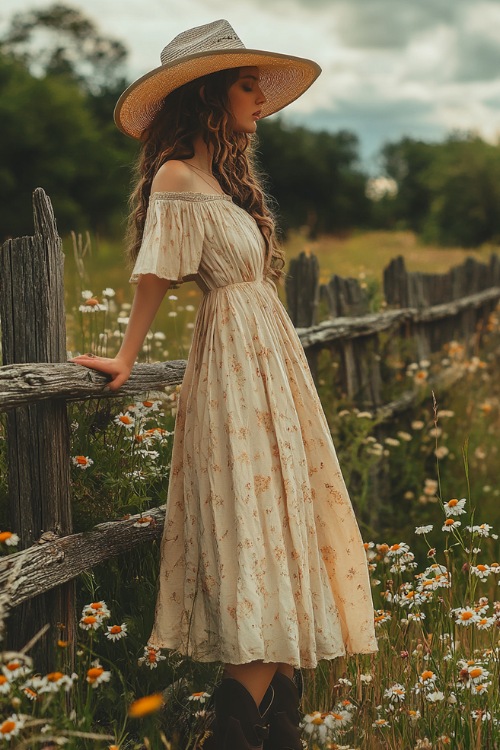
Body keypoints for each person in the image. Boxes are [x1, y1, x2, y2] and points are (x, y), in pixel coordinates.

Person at [71, 19, 378, 750]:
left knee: (283, 521)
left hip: (270, 360)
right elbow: (155, 273)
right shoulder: (179, 176)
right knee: (253, 525)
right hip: (235, 366)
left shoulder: (225, 181)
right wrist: (124, 354)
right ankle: (238, 734)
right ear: (209, 92)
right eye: (246, 85)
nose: (259, 100)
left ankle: (273, 729)